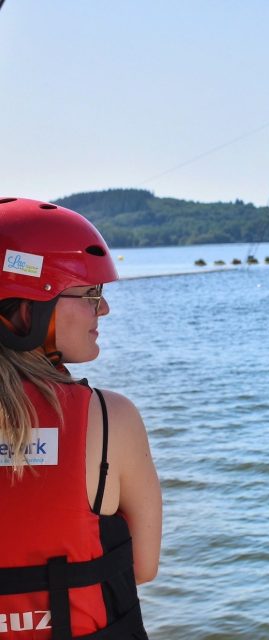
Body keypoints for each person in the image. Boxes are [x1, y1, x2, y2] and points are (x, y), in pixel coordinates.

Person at [0, 197, 162, 639]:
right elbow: (142, 567)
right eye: (91, 294)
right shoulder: (110, 418)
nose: (103, 310)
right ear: (27, 309)